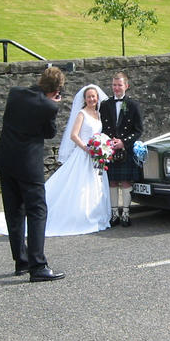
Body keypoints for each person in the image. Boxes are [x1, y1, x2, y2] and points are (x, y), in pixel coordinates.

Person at [0, 66, 66, 283]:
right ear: (56, 89)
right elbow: (49, 132)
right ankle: (38, 265)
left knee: (14, 213)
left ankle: (21, 262)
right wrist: (53, 104)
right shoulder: (48, 106)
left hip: (7, 162)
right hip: (28, 165)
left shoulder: (15, 93)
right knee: (37, 211)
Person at [44, 84, 111, 235]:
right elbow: (73, 135)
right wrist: (87, 148)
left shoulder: (99, 114)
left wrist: (102, 147)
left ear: (97, 98)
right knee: (80, 187)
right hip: (84, 154)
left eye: (93, 96)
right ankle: (79, 216)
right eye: (89, 97)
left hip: (96, 157)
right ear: (85, 99)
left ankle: (96, 216)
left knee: (96, 185)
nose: (91, 99)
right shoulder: (82, 114)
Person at [100, 71, 144, 227]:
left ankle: (125, 213)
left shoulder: (133, 105)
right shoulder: (105, 105)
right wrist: (107, 142)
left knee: (125, 181)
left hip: (125, 149)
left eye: (119, 85)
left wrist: (123, 142)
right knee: (111, 181)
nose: (116, 88)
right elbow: (102, 127)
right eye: (114, 85)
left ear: (126, 86)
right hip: (110, 148)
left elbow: (138, 130)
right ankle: (114, 214)